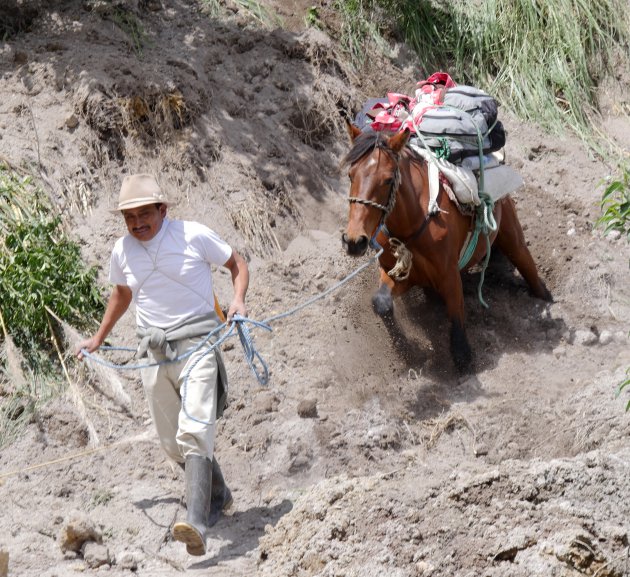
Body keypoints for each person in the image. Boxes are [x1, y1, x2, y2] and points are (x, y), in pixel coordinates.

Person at [76, 173, 249, 556]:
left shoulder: (192, 235)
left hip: (198, 344)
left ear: (162, 209)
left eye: (143, 215)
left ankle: (198, 521)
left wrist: (237, 301)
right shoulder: (122, 251)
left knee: (195, 427)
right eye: (129, 218)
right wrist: (98, 338)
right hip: (154, 352)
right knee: (172, 444)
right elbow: (121, 294)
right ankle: (217, 493)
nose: (137, 224)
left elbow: (236, 263)